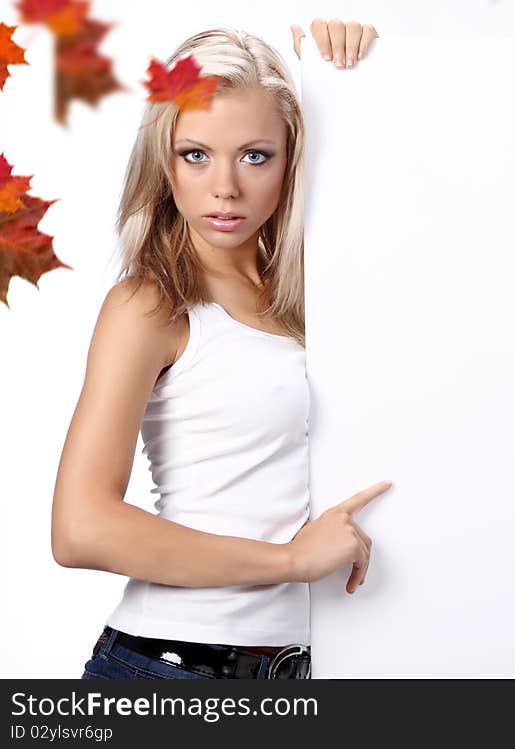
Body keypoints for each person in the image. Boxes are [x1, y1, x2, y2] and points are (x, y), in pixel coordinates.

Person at [51, 18, 393, 680]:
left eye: (255, 154)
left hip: (291, 671)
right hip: (171, 667)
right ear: (164, 159)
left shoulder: (311, 301)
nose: (226, 187)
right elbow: (79, 526)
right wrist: (291, 561)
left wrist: (342, 69)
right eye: (196, 154)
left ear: (290, 157)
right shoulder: (150, 303)